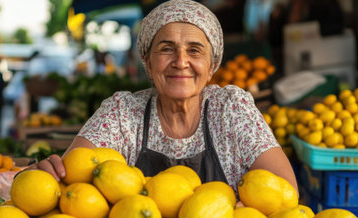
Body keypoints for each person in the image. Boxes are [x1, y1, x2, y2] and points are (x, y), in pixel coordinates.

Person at [31, 0, 298, 197]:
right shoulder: (122, 113)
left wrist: (243, 214)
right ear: (147, 62)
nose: (181, 62)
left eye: (194, 51)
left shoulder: (232, 109)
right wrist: (51, 177)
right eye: (166, 49)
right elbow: (69, 184)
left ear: (212, 65)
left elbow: (286, 190)